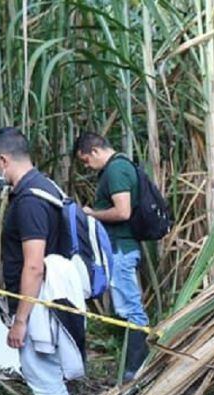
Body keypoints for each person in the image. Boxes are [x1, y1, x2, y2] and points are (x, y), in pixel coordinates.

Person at [0, 127, 85, 395]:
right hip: (49, 294)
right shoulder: (47, 187)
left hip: (38, 296)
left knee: (37, 364)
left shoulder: (30, 201)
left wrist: (20, 320)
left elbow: (33, 264)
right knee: (47, 360)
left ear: (3, 159)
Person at [72, 131, 149, 381]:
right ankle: (135, 363)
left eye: (85, 160)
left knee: (130, 307)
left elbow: (123, 211)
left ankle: (137, 366)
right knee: (126, 304)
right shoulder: (119, 167)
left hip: (122, 250)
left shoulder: (116, 170)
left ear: (94, 151)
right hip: (121, 249)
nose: (87, 166)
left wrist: (92, 214)